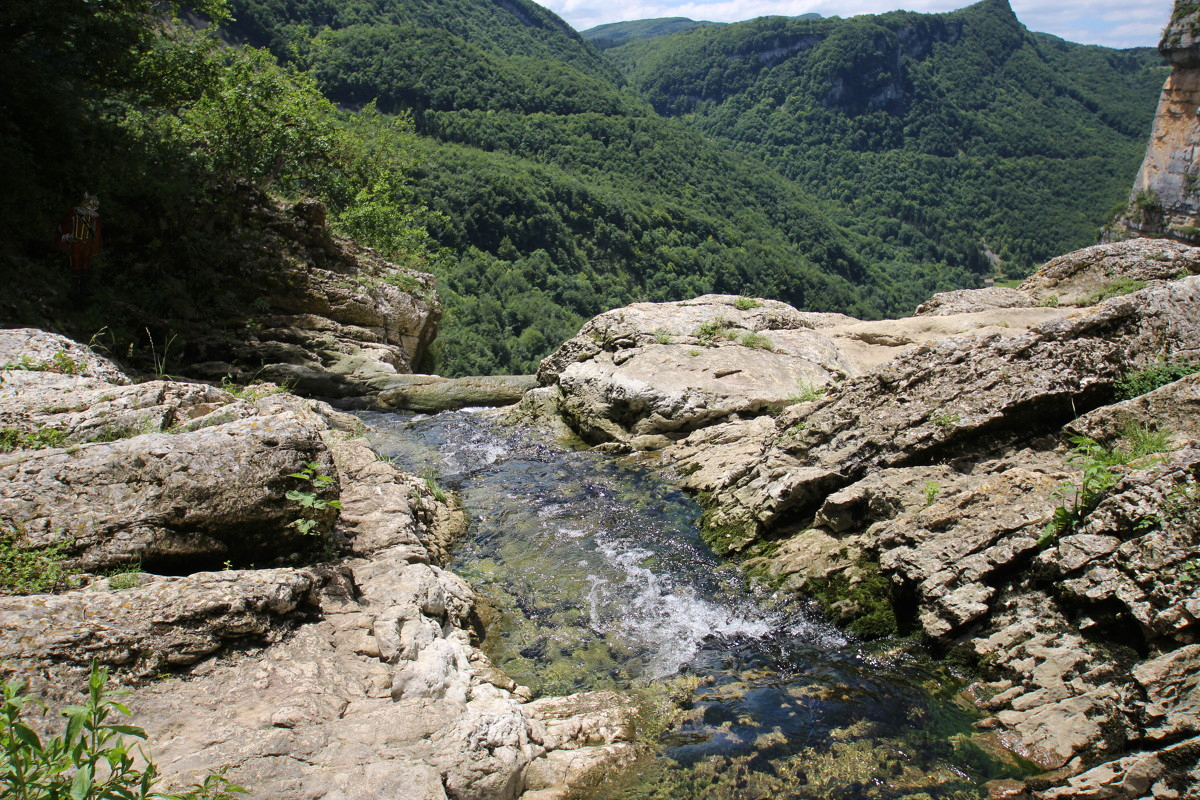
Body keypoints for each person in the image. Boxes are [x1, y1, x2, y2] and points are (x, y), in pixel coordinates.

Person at [56, 192, 102, 301]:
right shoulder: (75, 212)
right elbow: (63, 224)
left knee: (85, 265)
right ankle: (74, 290)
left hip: (88, 243)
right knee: (76, 264)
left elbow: (96, 231)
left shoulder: (94, 217)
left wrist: (94, 243)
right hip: (77, 242)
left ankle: (83, 288)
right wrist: (67, 236)